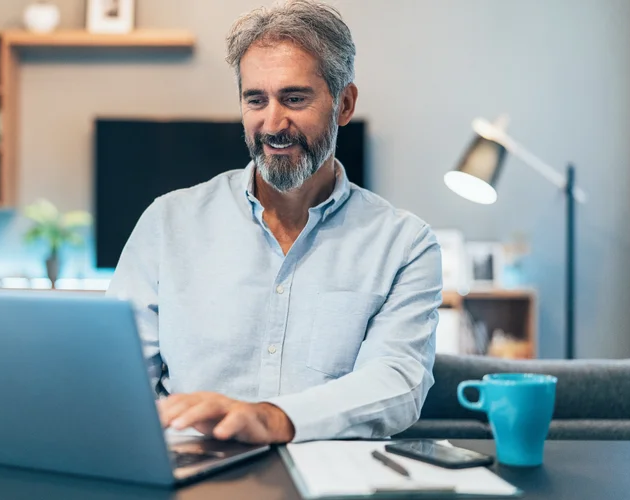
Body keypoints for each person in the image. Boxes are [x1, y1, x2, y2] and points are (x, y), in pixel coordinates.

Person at [107, 0, 442, 444]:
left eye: (294, 98)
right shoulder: (167, 223)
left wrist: (271, 418)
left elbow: (397, 383)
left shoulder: (405, 244)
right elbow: (116, 375)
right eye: (255, 100)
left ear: (344, 104)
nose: (273, 123)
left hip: (329, 478)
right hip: (193, 471)